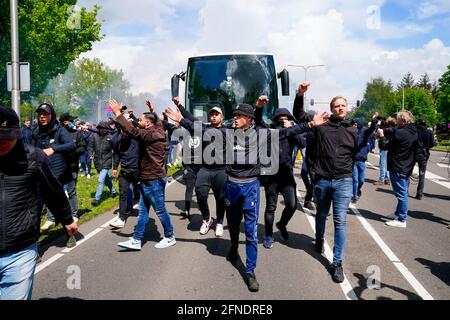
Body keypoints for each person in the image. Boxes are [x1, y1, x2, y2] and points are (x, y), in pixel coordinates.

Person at [165, 98, 327, 292]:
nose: (235, 118)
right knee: (233, 225)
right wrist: (180, 119)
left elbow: (288, 132)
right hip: (231, 186)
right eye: (234, 115)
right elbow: (200, 129)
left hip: (250, 188)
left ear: (249, 119)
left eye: (239, 115)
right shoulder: (226, 133)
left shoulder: (262, 134)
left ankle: (250, 271)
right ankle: (233, 246)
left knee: (250, 232)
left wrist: (310, 124)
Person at [0, 105, 77, 300]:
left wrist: (67, 219)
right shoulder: (34, 130)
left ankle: (63, 233)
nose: (2, 142)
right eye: (39, 114)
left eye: (8, 136)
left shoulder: (54, 136)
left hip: (19, 249)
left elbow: (55, 191)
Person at [109, 99, 176, 250]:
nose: (137, 121)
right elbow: (158, 120)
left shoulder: (149, 135)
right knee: (143, 212)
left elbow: (131, 131)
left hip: (153, 179)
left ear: (147, 124)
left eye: (140, 120)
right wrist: (153, 110)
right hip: (148, 178)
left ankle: (170, 236)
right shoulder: (157, 128)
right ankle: (136, 240)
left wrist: (118, 113)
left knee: (160, 210)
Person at [309, 96, 358, 283]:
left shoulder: (353, 130)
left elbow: (355, 154)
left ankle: (337, 263)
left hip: (343, 181)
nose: (340, 109)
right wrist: (314, 170)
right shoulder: (322, 127)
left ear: (347, 108)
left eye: (343, 106)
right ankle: (319, 238)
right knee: (321, 215)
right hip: (322, 180)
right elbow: (311, 148)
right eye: (337, 106)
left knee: (340, 221)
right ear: (331, 109)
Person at [170, 98, 228, 237]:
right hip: (205, 169)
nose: (213, 116)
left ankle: (219, 222)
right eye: (212, 114)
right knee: (201, 196)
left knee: (221, 198)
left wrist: (182, 120)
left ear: (222, 117)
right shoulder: (205, 128)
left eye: (216, 114)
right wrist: (179, 106)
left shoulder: (227, 131)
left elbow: (190, 123)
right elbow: (190, 119)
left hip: (221, 170)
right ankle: (207, 219)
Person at [254, 100, 304, 249]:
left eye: (285, 118)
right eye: (280, 118)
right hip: (271, 175)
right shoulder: (269, 130)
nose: (283, 120)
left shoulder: (291, 131)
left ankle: (282, 224)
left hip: (287, 175)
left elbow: (303, 144)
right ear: (275, 119)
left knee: (292, 205)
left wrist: (292, 128)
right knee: (270, 208)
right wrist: (259, 107)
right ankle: (268, 235)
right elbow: (258, 121)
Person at [30, 103, 75, 231]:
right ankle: (33, 243)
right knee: (36, 209)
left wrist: (53, 149)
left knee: (60, 209)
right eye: (40, 114)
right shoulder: (35, 131)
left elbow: (71, 145)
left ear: (52, 115)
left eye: (45, 114)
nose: (42, 117)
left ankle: (69, 233)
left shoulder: (59, 130)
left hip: (56, 176)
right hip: (39, 176)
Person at [377, 110, 422, 228]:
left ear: (402, 120)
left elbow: (385, 146)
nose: (396, 121)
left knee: (401, 194)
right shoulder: (414, 131)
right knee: (403, 192)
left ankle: (402, 219)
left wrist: (381, 136)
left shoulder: (399, 133)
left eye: (397, 119)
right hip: (407, 166)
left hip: (398, 166)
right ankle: (398, 213)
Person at [109, 115, 140, 229]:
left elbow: (141, 127)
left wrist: (132, 120)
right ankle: (122, 218)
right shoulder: (116, 139)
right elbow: (117, 154)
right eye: (122, 127)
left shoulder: (136, 136)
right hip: (125, 171)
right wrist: (115, 168)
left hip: (138, 170)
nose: (124, 130)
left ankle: (145, 214)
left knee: (145, 193)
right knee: (123, 194)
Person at [88, 121, 118, 206]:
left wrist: (115, 165)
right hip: (97, 162)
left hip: (107, 161)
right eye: (101, 128)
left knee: (100, 180)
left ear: (107, 128)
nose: (102, 130)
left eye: (104, 128)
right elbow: (90, 146)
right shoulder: (94, 136)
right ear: (98, 128)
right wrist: (90, 154)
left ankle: (97, 199)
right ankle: (113, 192)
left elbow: (116, 150)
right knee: (106, 179)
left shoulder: (110, 138)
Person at [350, 114, 377, 204]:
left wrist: (373, 121)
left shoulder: (365, 132)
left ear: (359, 124)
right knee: (355, 179)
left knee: (361, 180)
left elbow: (372, 129)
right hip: (353, 159)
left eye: (355, 124)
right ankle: (354, 196)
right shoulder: (351, 132)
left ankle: (357, 190)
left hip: (361, 160)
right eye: (353, 124)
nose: (354, 125)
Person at [415, 118, 436, 200]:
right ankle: (419, 194)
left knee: (408, 173)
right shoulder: (429, 132)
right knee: (421, 175)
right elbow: (432, 144)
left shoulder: (415, 131)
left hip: (414, 154)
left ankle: (405, 191)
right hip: (424, 155)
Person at [374, 117, 396, 186]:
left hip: (384, 147)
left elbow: (376, 132)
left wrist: (378, 124)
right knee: (387, 164)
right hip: (390, 148)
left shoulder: (386, 129)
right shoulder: (394, 129)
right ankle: (387, 179)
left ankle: (381, 179)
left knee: (382, 164)